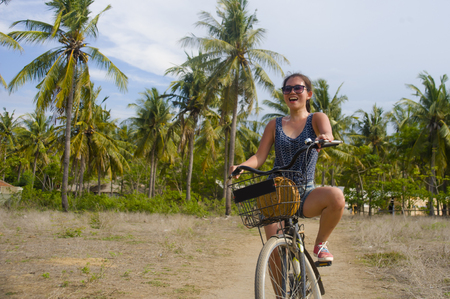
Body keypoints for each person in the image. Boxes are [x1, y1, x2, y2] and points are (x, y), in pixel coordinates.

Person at [229, 72, 345, 262]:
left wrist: (324, 138)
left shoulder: (316, 118)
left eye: (298, 88)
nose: (292, 91)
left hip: (305, 191)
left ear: (309, 94)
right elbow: (259, 157)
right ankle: (279, 293)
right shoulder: (274, 124)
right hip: (275, 191)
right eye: (287, 89)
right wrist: (241, 166)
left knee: (337, 197)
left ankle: (321, 244)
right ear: (284, 94)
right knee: (273, 252)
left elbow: (327, 132)